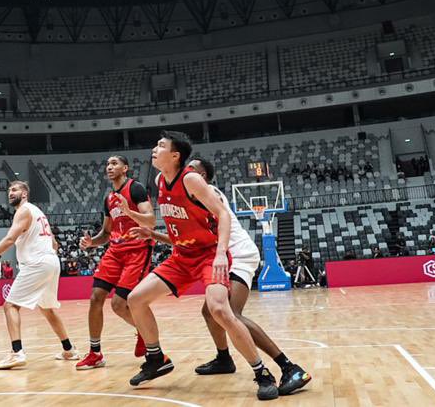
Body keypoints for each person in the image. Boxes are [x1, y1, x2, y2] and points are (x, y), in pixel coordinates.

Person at [127, 157, 310, 395]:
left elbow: (216, 227)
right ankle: (224, 358)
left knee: (229, 313)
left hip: (236, 254)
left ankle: (289, 367)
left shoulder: (206, 191)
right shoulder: (181, 191)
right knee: (209, 311)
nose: (185, 171)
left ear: (200, 177)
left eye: (191, 168)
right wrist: (153, 235)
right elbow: (188, 236)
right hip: (212, 254)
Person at [0, 181, 76, 370]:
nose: (10, 192)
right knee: (47, 309)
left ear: (25, 194)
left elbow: (10, 239)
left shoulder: (23, 211)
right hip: (51, 261)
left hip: (36, 263)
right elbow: (55, 244)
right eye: (9, 190)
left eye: (15, 189)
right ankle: (69, 349)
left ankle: (17, 353)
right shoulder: (38, 212)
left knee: (10, 305)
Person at [75, 154, 154, 370]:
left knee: (119, 305)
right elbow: (107, 233)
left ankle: (145, 333)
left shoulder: (135, 188)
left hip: (137, 250)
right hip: (115, 250)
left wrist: (129, 211)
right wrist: (92, 242)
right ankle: (95, 353)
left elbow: (151, 220)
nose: (109, 167)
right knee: (95, 298)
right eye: (108, 164)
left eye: (114, 163)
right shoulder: (108, 198)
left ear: (125, 168)